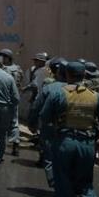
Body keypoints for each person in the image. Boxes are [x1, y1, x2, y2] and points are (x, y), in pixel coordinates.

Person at [40, 61, 99, 197]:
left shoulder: (58, 93)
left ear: (67, 75)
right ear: (84, 75)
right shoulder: (96, 96)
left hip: (64, 142)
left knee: (63, 180)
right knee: (85, 180)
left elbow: (45, 117)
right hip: (87, 144)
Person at [28, 57, 67, 188]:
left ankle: (56, 186)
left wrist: (32, 123)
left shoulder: (49, 86)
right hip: (70, 130)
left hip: (49, 127)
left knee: (49, 157)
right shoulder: (81, 89)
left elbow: (36, 107)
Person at [0, 48, 24, 157]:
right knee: (14, 122)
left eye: (3, 57)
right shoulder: (18, 69)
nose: (1, 59)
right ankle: (15, 145)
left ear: (8, 58)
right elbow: (19, 83)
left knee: (2, 123)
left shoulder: (2, 70)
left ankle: (1, 147)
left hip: (4, 99)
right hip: (14, 98)